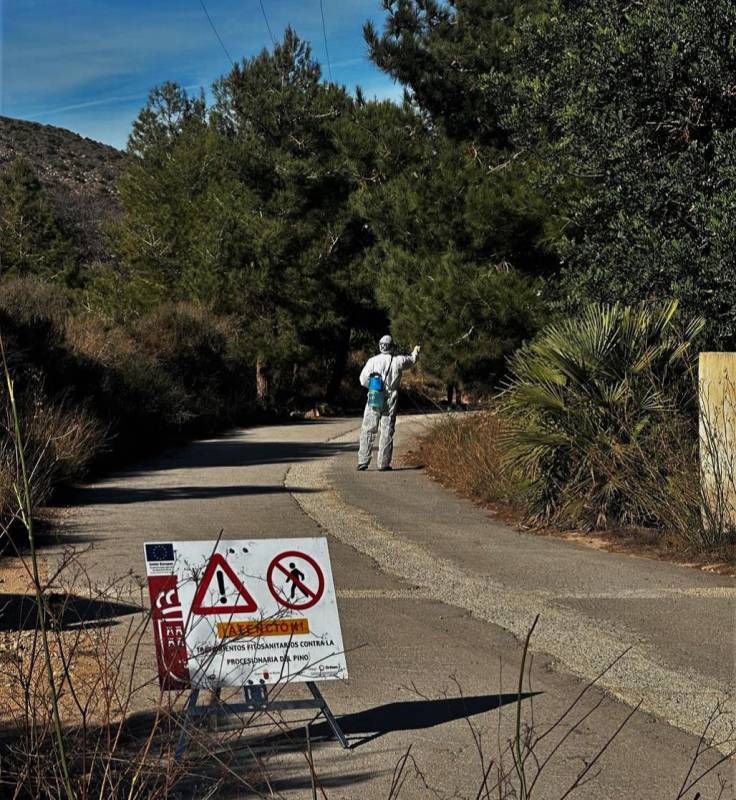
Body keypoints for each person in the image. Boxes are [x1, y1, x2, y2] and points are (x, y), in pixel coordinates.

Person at [357, 335, 420, 471]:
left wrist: (374, 387)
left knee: (368, 428)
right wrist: (415, 351)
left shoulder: (372, 361)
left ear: (380, 346)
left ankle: (363, 461)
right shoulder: (398, 361)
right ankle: (383, 464)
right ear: (392, 346)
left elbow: (362, 380)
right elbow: (412, 360)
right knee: (387, 429)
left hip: (375, 395)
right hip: (391, 397)